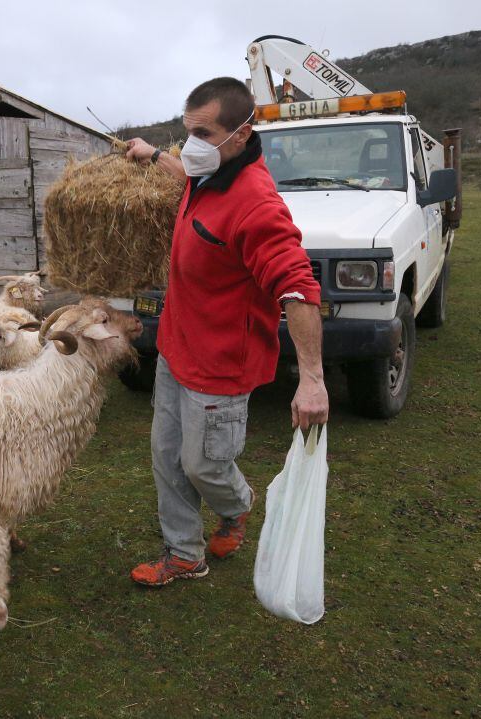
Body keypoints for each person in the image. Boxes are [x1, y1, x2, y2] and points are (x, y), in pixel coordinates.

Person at [125, 77, 328, 587]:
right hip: (176, 346)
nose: (189, 144)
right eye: (186, 130)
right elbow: (183, 171)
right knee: (167, 457)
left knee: (203, 465)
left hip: (220, 364)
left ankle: (237, 506)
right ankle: (184, 553)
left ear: (242, 132)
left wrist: (312, 380)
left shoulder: (257, 205)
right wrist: (152, 155)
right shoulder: (208, 169)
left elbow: (300, 290)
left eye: (203, 132)